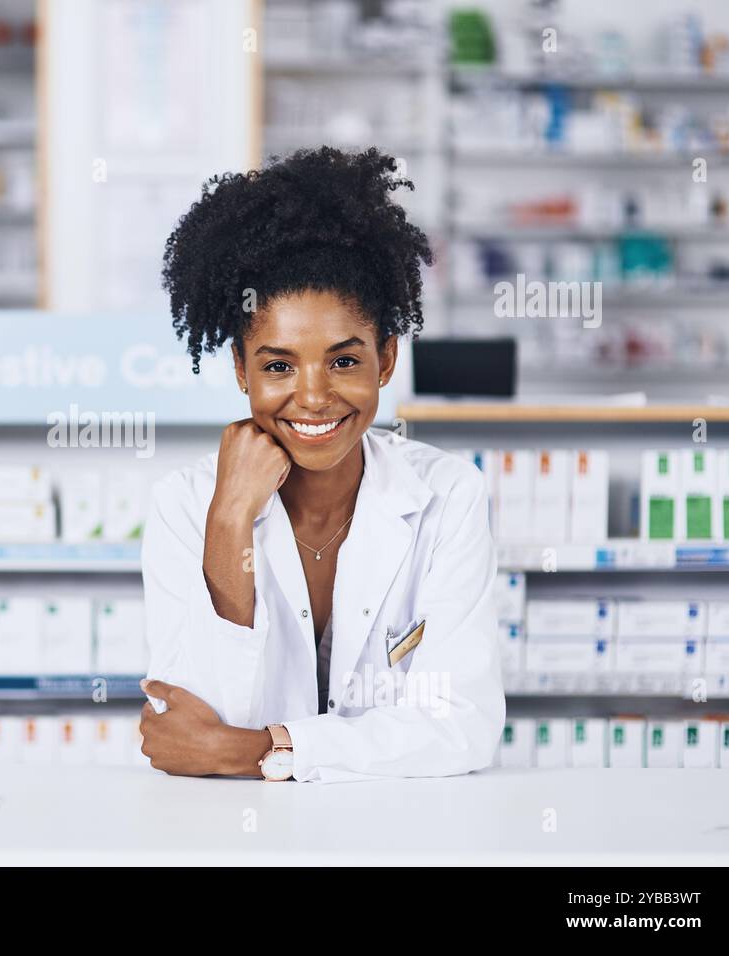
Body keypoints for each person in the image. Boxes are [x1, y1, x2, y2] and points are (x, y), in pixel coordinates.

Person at [138, 146, 505, 783]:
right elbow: (186, 730)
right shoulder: (184, 505)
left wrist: (258, 751)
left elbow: (461, 727)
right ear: (240, 369)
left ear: (386, 360)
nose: (312, 396)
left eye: (343, 360)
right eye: (278, 365)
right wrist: (228, 519)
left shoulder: (450, 496)